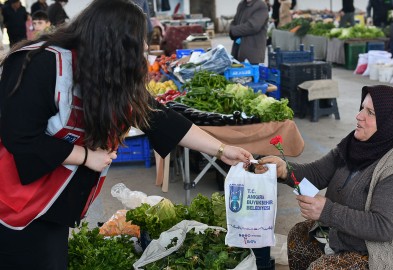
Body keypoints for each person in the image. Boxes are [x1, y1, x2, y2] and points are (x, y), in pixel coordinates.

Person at [0, 0, 253, 269]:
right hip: (13, 204)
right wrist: (86, 156)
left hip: (52, 205)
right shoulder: (41, 64)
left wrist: (223, 150)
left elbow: (159, 117)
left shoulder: (106, 69)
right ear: (109, 40)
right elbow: (19, 137)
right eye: (138, 41)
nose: (145, 48)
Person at [256, 85, 393, 269]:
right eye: (361, 108)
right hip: (342, 234)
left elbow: (384, 227)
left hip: (373, 252)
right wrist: (285, 170)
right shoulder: (354, 145)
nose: (359, 116)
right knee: (298, 236)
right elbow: (318, 173)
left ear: (389, 122)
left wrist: (327, 211)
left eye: (370, 112)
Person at [229, 0, 269, 65]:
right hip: (238, 49)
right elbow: (234, 22)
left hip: (252, 51)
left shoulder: (261, 5)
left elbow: (253, 26)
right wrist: (232, 30)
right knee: (237, 73)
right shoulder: (241, 4)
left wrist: (233, 31)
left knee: (250, 74)